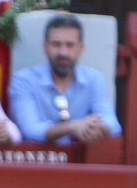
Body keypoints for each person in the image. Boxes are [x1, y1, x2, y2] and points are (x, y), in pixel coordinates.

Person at [7, 14, 122, 146]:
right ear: (45, 47)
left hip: (84, 161)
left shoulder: (94, 79)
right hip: (38, 162)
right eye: (56, 44)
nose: (63, 52)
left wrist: (97, 128)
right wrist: (73, 127)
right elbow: (30, 130)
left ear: (81, 48)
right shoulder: (24, 80)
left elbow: (113, 124)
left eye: (70, 45)